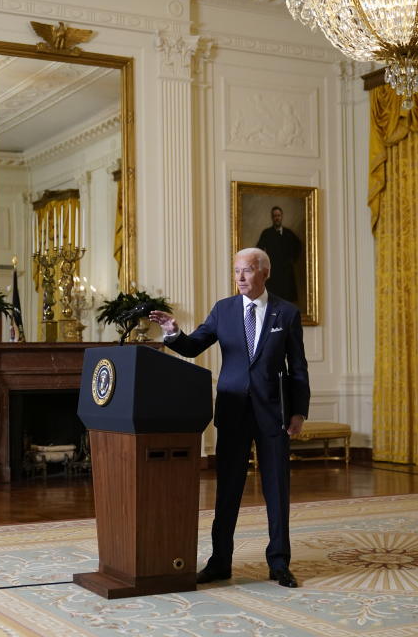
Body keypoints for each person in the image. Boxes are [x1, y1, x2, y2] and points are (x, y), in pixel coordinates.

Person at [148, 247, 310, 588]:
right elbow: (193, 347)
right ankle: (220, 561)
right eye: (236, 271)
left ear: (264, 273)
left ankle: (279, 563)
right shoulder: (223, 310)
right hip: (233, 412)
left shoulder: (287, 313)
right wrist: (173, 331)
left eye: (247, 271)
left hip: (274, 415)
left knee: (277, 491)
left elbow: (297, 368)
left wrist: (298, 412)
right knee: (228, 492)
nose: (239, 277)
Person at [256, 206, 301, 304]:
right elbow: (258, 250)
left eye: (278, 215)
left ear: (282, 217)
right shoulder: (267, 233)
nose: (277, 218)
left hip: (286, 273)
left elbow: (298, 246)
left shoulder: (289, 234)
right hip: (273, 273)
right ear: (272, 218)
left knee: (287, 301)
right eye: (275, 216)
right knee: (273, 301)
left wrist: (293, 259)